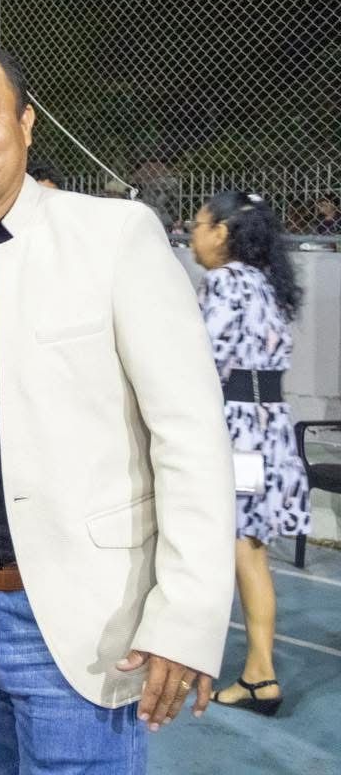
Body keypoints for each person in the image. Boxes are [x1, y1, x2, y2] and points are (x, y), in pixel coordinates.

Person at [0, 46, 235, 773]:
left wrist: (186, 615)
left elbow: (191, 437)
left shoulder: (114, 236)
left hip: (80, 616)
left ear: (26, 124)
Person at [190, 190, 310, 717]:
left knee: (233, 547)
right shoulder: (267, 283)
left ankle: (252, 672)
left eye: (197, 226)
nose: (192, 236)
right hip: (268, 427)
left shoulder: (224, 282)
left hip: (235, 431)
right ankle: (260, 674)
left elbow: (206, 357)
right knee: (250, 549)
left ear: (222, 232)